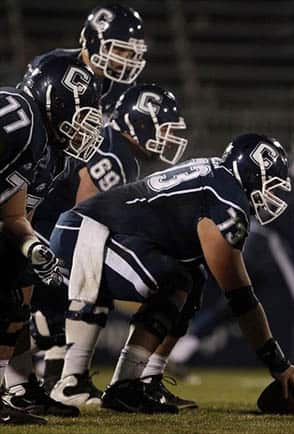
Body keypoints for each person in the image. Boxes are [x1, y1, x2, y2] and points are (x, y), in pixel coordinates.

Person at [49, 133, 294, 414]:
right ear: (250, 174)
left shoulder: (218, 177)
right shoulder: (226, 200)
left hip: (110, 231)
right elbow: (240, 297)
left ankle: (144, 380)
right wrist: (278, 364)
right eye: (269, 185)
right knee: (176, 280)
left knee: (192, 279)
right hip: (88, 230)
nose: (271, 196)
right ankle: (88, 383)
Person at [29, 83, 186, 407]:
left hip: (42, 226)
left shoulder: (111, 144)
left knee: (64, 300)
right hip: (48, 229)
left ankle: (60, 381)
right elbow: (84, 213)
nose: (169, 137)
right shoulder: (117, 154)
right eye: (165, 128)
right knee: (78, 288)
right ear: (140, 123)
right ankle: (62, 380)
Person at [169, 121, 294, 383]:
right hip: (267, 241)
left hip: (263, 241)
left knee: (236, 303)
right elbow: (279, 219)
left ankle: (180, 353)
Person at [0, 55, 104, 424]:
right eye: (82, 116)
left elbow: (14, 218)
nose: (86, 129)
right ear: (53, 102)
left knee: (18, 273)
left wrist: (33, 248)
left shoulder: (54, 156)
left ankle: (16, 386)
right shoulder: (20, 114)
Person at [25, 3, 147, 117]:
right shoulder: (52, 64)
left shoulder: (123, 85)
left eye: (131, 53)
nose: (125, 59)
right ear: (94, 41)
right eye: (119, 50)